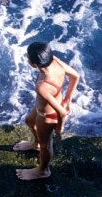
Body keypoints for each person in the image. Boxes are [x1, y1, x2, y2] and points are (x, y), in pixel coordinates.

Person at [13, 42, 81, 180]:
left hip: (48, 115)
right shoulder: (55, 61)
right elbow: (75, 76)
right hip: (47, 106)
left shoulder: (42, 86)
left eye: (28, 56)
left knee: (46, 145)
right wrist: (67, 98)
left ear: (33, 64)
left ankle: (43, 170)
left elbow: (62, 112)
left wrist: (59, 127)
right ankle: (35, 144)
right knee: (29, 121)